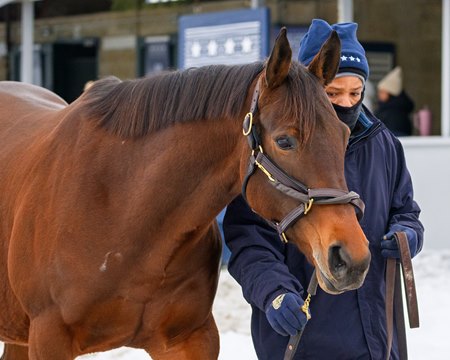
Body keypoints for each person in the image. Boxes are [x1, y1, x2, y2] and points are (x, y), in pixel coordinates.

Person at [223, 19, 424, 360]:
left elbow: (405, 210)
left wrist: (406, 235)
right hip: (304, 339)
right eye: (333, 93)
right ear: (313, 87)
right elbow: (248, 240)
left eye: (355, 93)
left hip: (376, 337)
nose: (346, 104)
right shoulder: (275, 148)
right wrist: (273, 292)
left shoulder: (384, 144)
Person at [374, 66, 415, 136]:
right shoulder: (388, 109)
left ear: (390, 93)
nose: (379, 94)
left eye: (382, 92)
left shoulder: (394, 114)